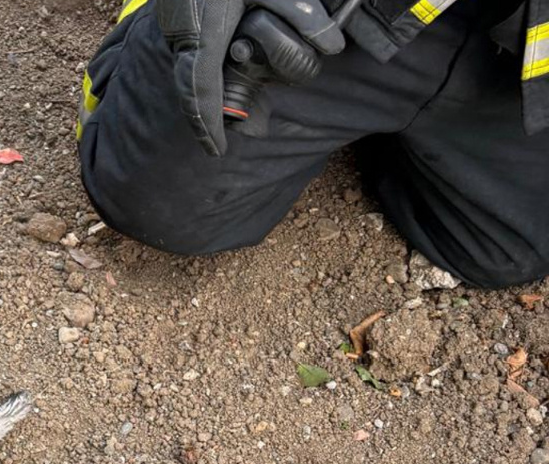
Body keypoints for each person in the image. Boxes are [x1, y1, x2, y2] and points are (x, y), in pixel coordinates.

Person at [77, 0, 548, 289]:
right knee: (161, 200)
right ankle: (151, 20)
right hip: (339, 14)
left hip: (519, 51)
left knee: (503, 255)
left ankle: (382, 126)